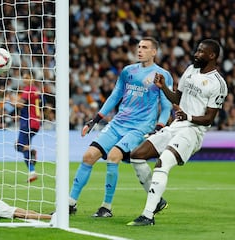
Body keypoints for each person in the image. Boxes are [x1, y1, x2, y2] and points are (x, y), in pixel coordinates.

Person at [126, 39, 228, 226]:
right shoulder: (190, 70)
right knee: (137, 155)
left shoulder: (218, 83)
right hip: (176, 126)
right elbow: (177, 98)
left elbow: (209, 118)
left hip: (193, 131)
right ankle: (158, 202)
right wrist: (163, 87)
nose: (196, 54)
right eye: (197, 51)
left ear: (212, 56)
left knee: (162, 163)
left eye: (201, 52)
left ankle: (147, 216)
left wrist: (188, 117)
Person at [69, 37, 173, 217]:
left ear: (154, 52)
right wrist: (95, 119)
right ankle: (70, 203)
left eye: (145, 47)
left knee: (113, 156)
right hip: (118, 123)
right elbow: (115, 95)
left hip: (140, 127)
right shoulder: (128, 71)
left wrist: (158, 127)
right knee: (88, 156)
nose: (140, 50)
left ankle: (106, 207)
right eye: (139, 47)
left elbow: (166, 106)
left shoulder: (162, 75)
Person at [14, 73, 42, 183]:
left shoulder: (28, 89)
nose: (25, 80)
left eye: (27, 77)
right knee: (19, 146)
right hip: (35, 123)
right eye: (24, 78)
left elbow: (20, 104)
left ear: (32, 78)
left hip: (28, 123)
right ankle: (32, 154)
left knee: (21, 146)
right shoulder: (36, 90)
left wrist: (10, 101)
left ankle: (32, 172)